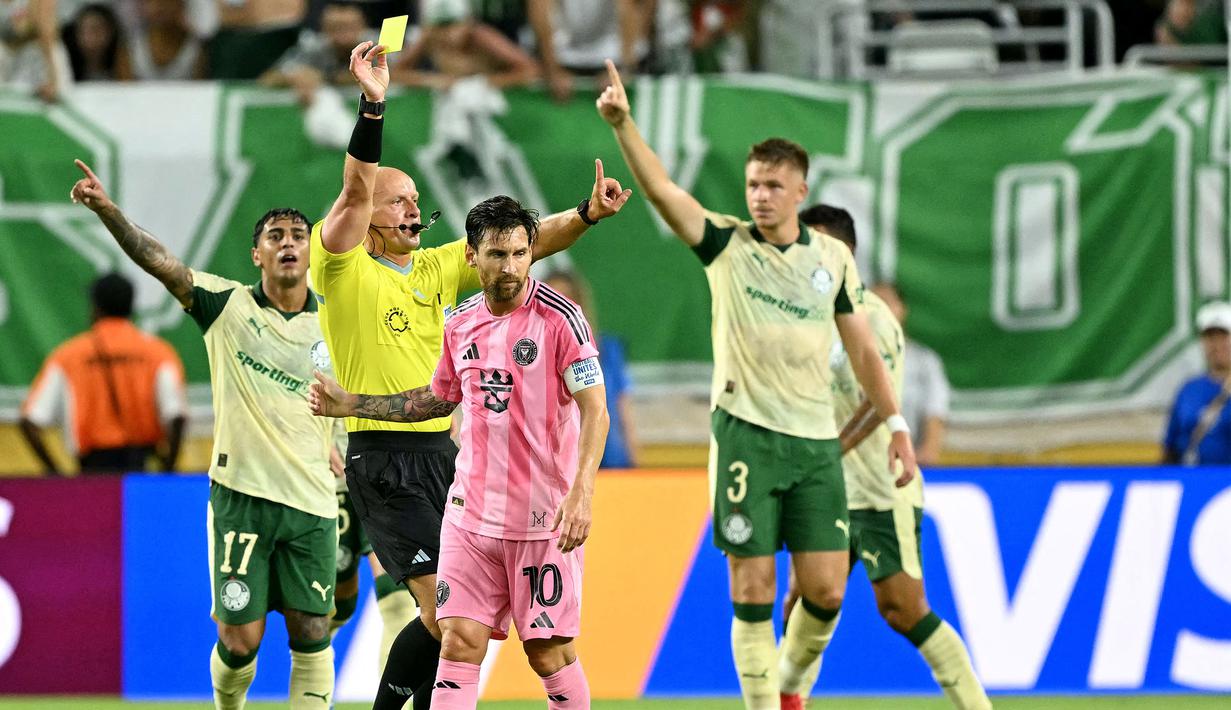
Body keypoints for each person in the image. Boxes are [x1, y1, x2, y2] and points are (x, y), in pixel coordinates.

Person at [309, 40, 630, 710]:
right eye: (397, 200)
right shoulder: (339, 264)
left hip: (447, 457)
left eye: (415, 199)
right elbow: (352, 188)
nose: (410, 208)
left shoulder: (438, 268)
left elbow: (527, 238)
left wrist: (591, 214)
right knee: (444, 620)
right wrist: (373, 105)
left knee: (456, 628)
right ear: (367, 213)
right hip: (381, 455)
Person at [596, 60, 916, 710]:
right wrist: (624, 125)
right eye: (752, 184)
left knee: (825, 591)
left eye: (772, 185)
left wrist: (897, 426)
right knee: (753, 591)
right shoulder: (726, 245)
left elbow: (862, 350)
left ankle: (789, 688)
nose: (759, 195)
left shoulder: (832, 260)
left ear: (800, 191)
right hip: (747, 436)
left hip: (815, 443)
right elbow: (662, 192)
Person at [69, 160, 338, 710]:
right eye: (275, 236)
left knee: (313, 631)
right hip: (241, 497)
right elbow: (159, 260)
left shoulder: (337, 321)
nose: (288, 244)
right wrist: (109, 211)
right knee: (241, 639)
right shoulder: (226, 305)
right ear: (256, 255)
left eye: (298, 236)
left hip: (312, 500)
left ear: (312, 252)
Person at [780, 204, 990, 709]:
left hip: (878, 488)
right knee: (807, 602)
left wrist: (828, 454)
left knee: (903, 609)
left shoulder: (873, 317)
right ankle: (784, 699)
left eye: (819, 243)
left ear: (847, 253)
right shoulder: (798, 315)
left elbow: (882, 401)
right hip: (823, 492)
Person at [20, 271, 187, 475]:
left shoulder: (68, 356)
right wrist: (168, 470)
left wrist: (55, 474)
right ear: (131, 306)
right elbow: (177, 416)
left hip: (92, 474)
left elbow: (29, 421)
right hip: (141, 469)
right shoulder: (158, 353)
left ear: (96, 308)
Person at [544, 268, 636, 468]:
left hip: (611, 464)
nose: (559, 311)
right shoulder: (531, 359)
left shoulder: (608, 351)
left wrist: (636, 462)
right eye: (551, 303)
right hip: (559, 467)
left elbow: (623, 409)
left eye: (566, 301)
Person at [871, 283, 950, 468]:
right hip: (862, 462)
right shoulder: (846, 357)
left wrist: (929, 450)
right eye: (874, 304)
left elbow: (936, 408)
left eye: (887, 302)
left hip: (908, 459)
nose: (880, 310)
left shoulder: (924, 360)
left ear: (902, 309)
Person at [1163, 301, 1231, 465]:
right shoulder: (1189, 390)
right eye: (1210, 338)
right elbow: (1171, 446)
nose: (1216, 345)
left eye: (1223, 337)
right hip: (1194, 480)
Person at [115, 0, 206, 80]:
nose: (159, 8)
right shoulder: (130, 46)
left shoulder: (196, 48)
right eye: (153, 2)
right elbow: (125, 93)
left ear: (180, 5)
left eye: (167, 2)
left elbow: (202, 91)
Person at [63, 3, 123, 81]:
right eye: (83, 31)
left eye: (95, 30)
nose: (89, 37)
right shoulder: (65, 65)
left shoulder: (121, 61)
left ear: (110, 32)